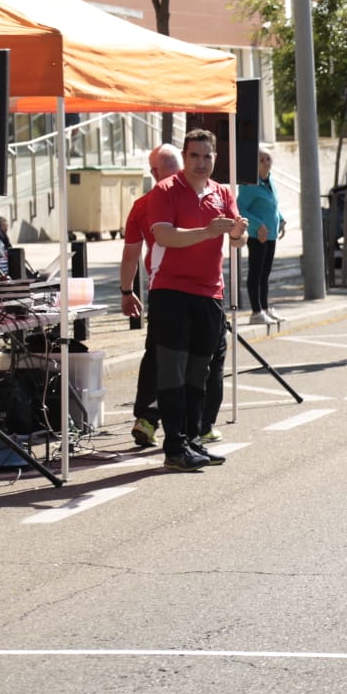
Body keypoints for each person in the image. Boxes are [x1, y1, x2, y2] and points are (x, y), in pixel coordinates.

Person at [146, 129, 248, 472]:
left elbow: (237, 238)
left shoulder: (222, 193)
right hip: (171, 291)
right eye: (194, 156)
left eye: (207, 156)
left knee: (200, 371)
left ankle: (192, 440)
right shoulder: (164, 190)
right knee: (173, 369)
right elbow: (163, 235)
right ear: (185, 157)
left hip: (210, 292)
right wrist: (208, 231)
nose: (201, 163)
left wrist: (238, 232)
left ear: (215, 158)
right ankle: (174, 446)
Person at [237, 145, 287, 325]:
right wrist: (258, 224)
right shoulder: (250, 185)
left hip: (271, 234)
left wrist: (281, 220)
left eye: (268, 159)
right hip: (257, 235)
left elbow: (273, 205)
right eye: (261, 160)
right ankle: (256, 311)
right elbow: (240, 208)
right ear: (254, 164)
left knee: (265, 274)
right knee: (256, 273)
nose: (266, 163)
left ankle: (265, 308)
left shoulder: (270, 180)